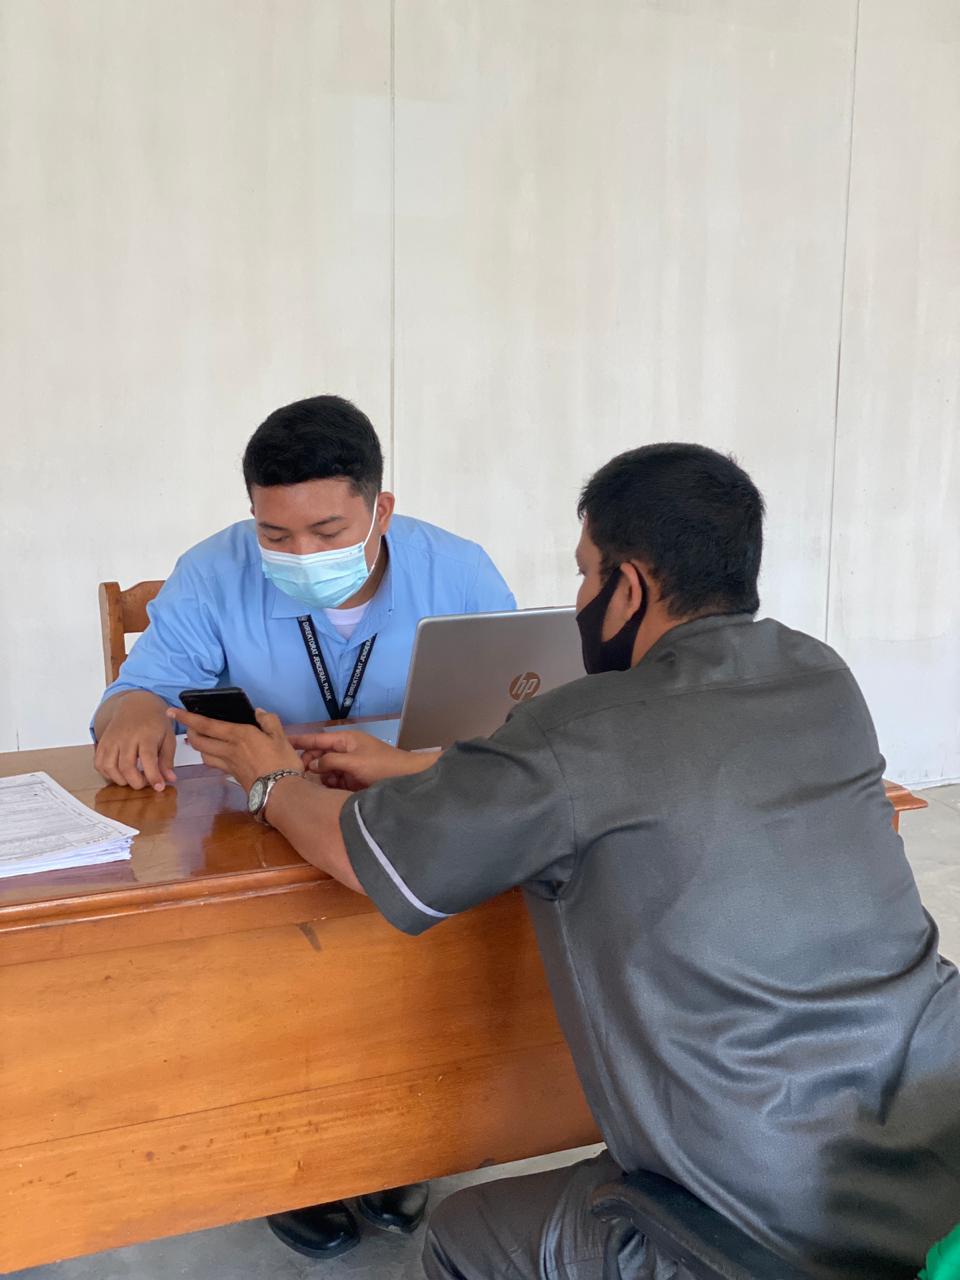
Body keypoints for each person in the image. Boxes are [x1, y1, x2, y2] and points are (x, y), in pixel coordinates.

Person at [174, 443, 960, 1279]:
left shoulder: (577, 718)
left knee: (461, 1234)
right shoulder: (820, 675)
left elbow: (365, 854)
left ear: (631, 587)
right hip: (935, 1128)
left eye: (586, 576)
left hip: (762, 1213)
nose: (580, 599)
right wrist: (413, 768)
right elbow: (658, 774)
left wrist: (271, 779)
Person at [91, 393, 515, 1262]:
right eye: (274, 535)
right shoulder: (212, 570)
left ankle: (397, 1146)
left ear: (381, 509)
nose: (300, 555)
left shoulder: (458, 569)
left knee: (422, 978)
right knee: (270, 990)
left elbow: (514, 713)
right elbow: (141, 687)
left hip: (407, 815)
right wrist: (130, 708)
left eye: (327, 531)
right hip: (257, 826)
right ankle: (289, 1165)